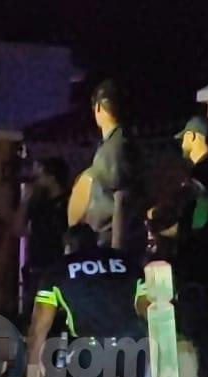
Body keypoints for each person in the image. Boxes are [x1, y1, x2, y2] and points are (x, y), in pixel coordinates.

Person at [25, 224, 146, 377]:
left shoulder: (57, 271)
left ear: (69, 246)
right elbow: (145, 309)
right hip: (132, 343)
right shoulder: (128, 263)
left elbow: (40, 325)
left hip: (89, 349)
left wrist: (32, 372)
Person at [147, 115, 208, 377]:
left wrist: (170, 229)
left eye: (185, 137)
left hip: (197, 255)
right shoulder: (205, 171)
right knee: (194, 319)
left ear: (195, 137)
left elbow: (200, 218)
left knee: (198, 322)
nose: (182, 142)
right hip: (195, 252)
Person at [83, 80, 142, 253]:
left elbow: (122, 199)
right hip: (110, 241)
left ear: (98, 108)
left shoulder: (114, 148)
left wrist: (117, 252)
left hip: (109, 243)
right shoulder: (120, 143)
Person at [15, 157, 71, 321]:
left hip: (59, 267)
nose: (36, 181)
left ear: (51, 177)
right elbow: (18, 229)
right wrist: (25, 201)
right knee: (32, 313)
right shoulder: (38, 203)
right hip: (36, 266)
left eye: (40, 176)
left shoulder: (69, 202)